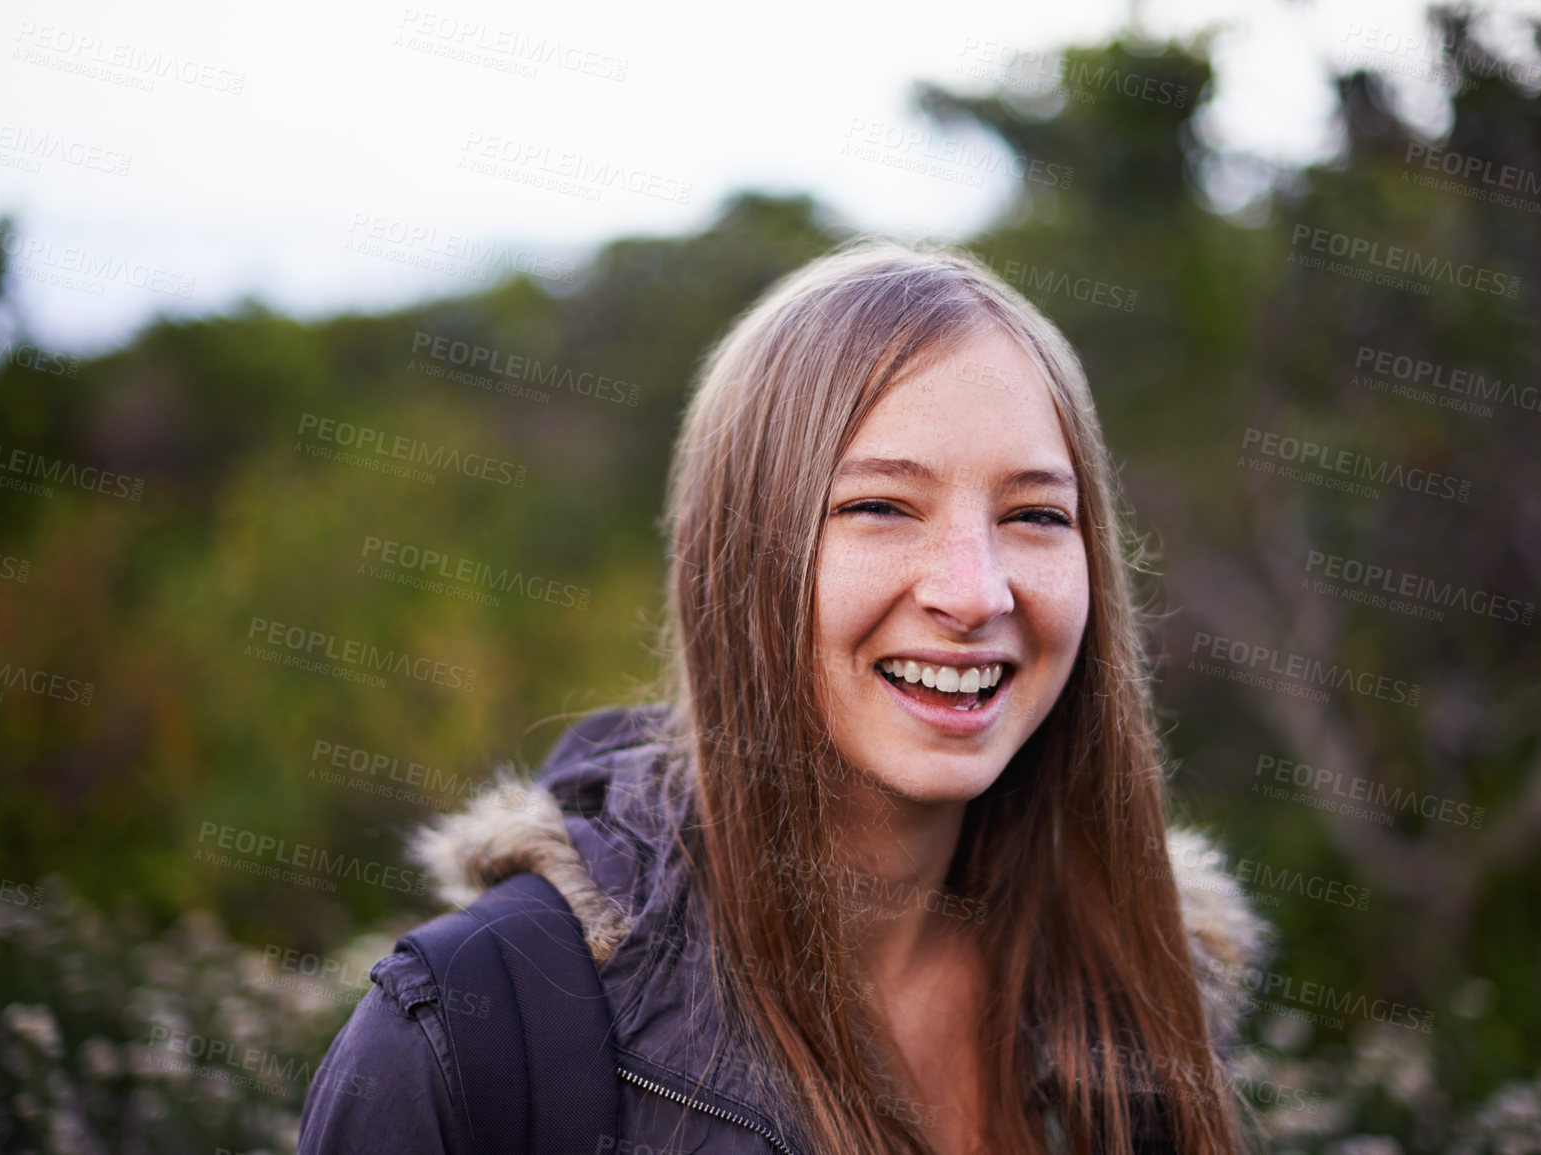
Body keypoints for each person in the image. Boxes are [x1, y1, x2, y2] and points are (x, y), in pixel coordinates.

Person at [298, 240, 1272, 1154]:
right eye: (880, 506)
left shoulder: (1142, 998)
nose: (976, 592)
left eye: (1035, 514)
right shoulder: (467, 1031)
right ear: (719, 557)